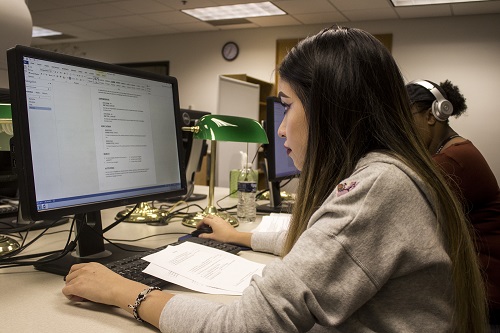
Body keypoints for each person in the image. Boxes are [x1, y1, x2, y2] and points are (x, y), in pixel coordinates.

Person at [62, 26, 489, 332]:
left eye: (287, 106)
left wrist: (125, 292)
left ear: (328, 108)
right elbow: (324, 244)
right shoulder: (390, 174)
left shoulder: (377, 189)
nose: (280, 129)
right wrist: (241, 237)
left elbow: (245, 325)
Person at [407, 79, 500, 329]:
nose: (403, 129)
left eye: (407, 119)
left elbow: (403, 204)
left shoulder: (453, 161)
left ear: (431, 116)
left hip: (486, 294)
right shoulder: (455, 152)